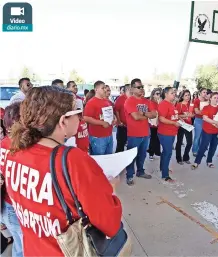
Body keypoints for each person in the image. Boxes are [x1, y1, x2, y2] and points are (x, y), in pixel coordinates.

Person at [2, 86, 125, 256]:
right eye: (77, 112)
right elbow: (110, 223)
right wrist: (111, 189)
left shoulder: (15, 152)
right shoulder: (73, 160)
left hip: (33, 250)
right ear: (63, 121)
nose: (80, 119)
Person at [0, 102, 24, 257]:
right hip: (14, 207)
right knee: (23, 248)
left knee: (19, 244)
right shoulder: (19, 146)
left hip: (8, 205)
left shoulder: (4, 143)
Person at [124, 78, 157, 186]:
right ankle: (129, 176)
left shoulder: (147, 101)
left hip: (145, 133)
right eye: (139, 87)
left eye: (142, 87)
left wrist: (142, 114)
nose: (142, 89)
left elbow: (154, 114)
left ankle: (140, 171)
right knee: (131, 157)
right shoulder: (129, 101)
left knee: (142, 155)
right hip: (134, 134)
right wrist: (145, 114)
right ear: (132, 89)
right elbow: (135, 117)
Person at [191, 93, 218, 170]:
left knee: (213, 147)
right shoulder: (206, 107)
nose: (216, 99)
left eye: (217, 98)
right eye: (214, 98)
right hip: (207, 131)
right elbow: (205, 118)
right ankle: (197, 162)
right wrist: (216, 122)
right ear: (210, 99)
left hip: (216, 131)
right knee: (203, 147)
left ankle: (209, 161)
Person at [83, 81, 114, 155]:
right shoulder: (91, 102)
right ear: (96, 89)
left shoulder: (107, 101)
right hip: (98, 137)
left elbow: (111, 114)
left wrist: (114, 118)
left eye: (105, 88)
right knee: (98, 161)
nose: (105, 90)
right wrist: (102, 123)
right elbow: (86, 118)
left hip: (109, 135)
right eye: (102, 88)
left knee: (108, 159)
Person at [158, 87, 180, 182]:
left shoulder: (171, 104)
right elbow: (162, 119)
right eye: (172, 93)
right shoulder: (164, 104)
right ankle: (165, 175)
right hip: (165, 133)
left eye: (174, 93)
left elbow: (173, 117)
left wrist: (179, 120)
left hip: (171, 132)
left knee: (165, 152)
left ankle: (163, 168)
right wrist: (174, 123)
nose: (174, 94)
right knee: (168, 152)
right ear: (166, 94)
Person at [175, 90, 194, 165]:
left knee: (189, 142)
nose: (188, 97)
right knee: (179, 142)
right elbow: (177, 115)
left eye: (188, 95)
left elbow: (193, 114)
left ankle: (186, 157)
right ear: (182, 96)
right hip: (181, 125)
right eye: (186, 95)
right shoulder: (179, 104)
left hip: (189, 125)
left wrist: (192, 115)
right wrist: (186, 115)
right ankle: (179, 158)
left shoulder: (191, 104)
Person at [192, 87, 208, 156]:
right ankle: (195, 151)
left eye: (206, 92)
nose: (205, 94)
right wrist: (205, 112)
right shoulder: (197, 101)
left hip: (205, 120)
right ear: (200, 93)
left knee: (203, 137)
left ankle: (200, 151)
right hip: (198, 120)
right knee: (197, 136)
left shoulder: (207, 101)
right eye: (204, 92)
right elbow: (196, 111)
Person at [115, 84, 131, 153]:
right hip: (122, 126)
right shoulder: (121, 98)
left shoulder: (133, 98)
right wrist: (119, 121)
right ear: (127, 89)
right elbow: (116, 110)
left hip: (131, 127)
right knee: (120, 145)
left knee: (130, 145)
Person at [147, 88, 162, 160]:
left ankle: (157, 151)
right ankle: (151, 153)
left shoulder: (159, 102)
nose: (159, 95)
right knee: (153, 138)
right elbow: (153, 113)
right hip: (153, 123)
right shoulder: (151, 102)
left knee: (157, 138)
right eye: (157, 94)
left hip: (159, 123)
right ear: (153, 95)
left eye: (159, 94)